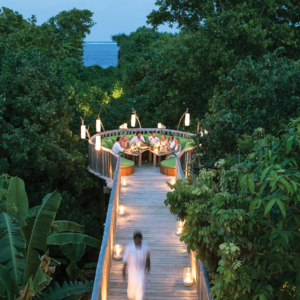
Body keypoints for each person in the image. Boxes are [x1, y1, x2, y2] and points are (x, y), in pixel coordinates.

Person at [123, 232, 150, 300]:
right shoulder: (129, 247)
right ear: (134, 239)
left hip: (142, 270)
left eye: (139, 239)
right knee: (132, 288)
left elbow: (148, 257)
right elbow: (125, 260)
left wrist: (148, 266)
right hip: (132, 271)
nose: (138, 240)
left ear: (141, 239)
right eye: (136, 239)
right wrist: (123, 272)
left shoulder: (145, 247)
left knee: (140, 286)